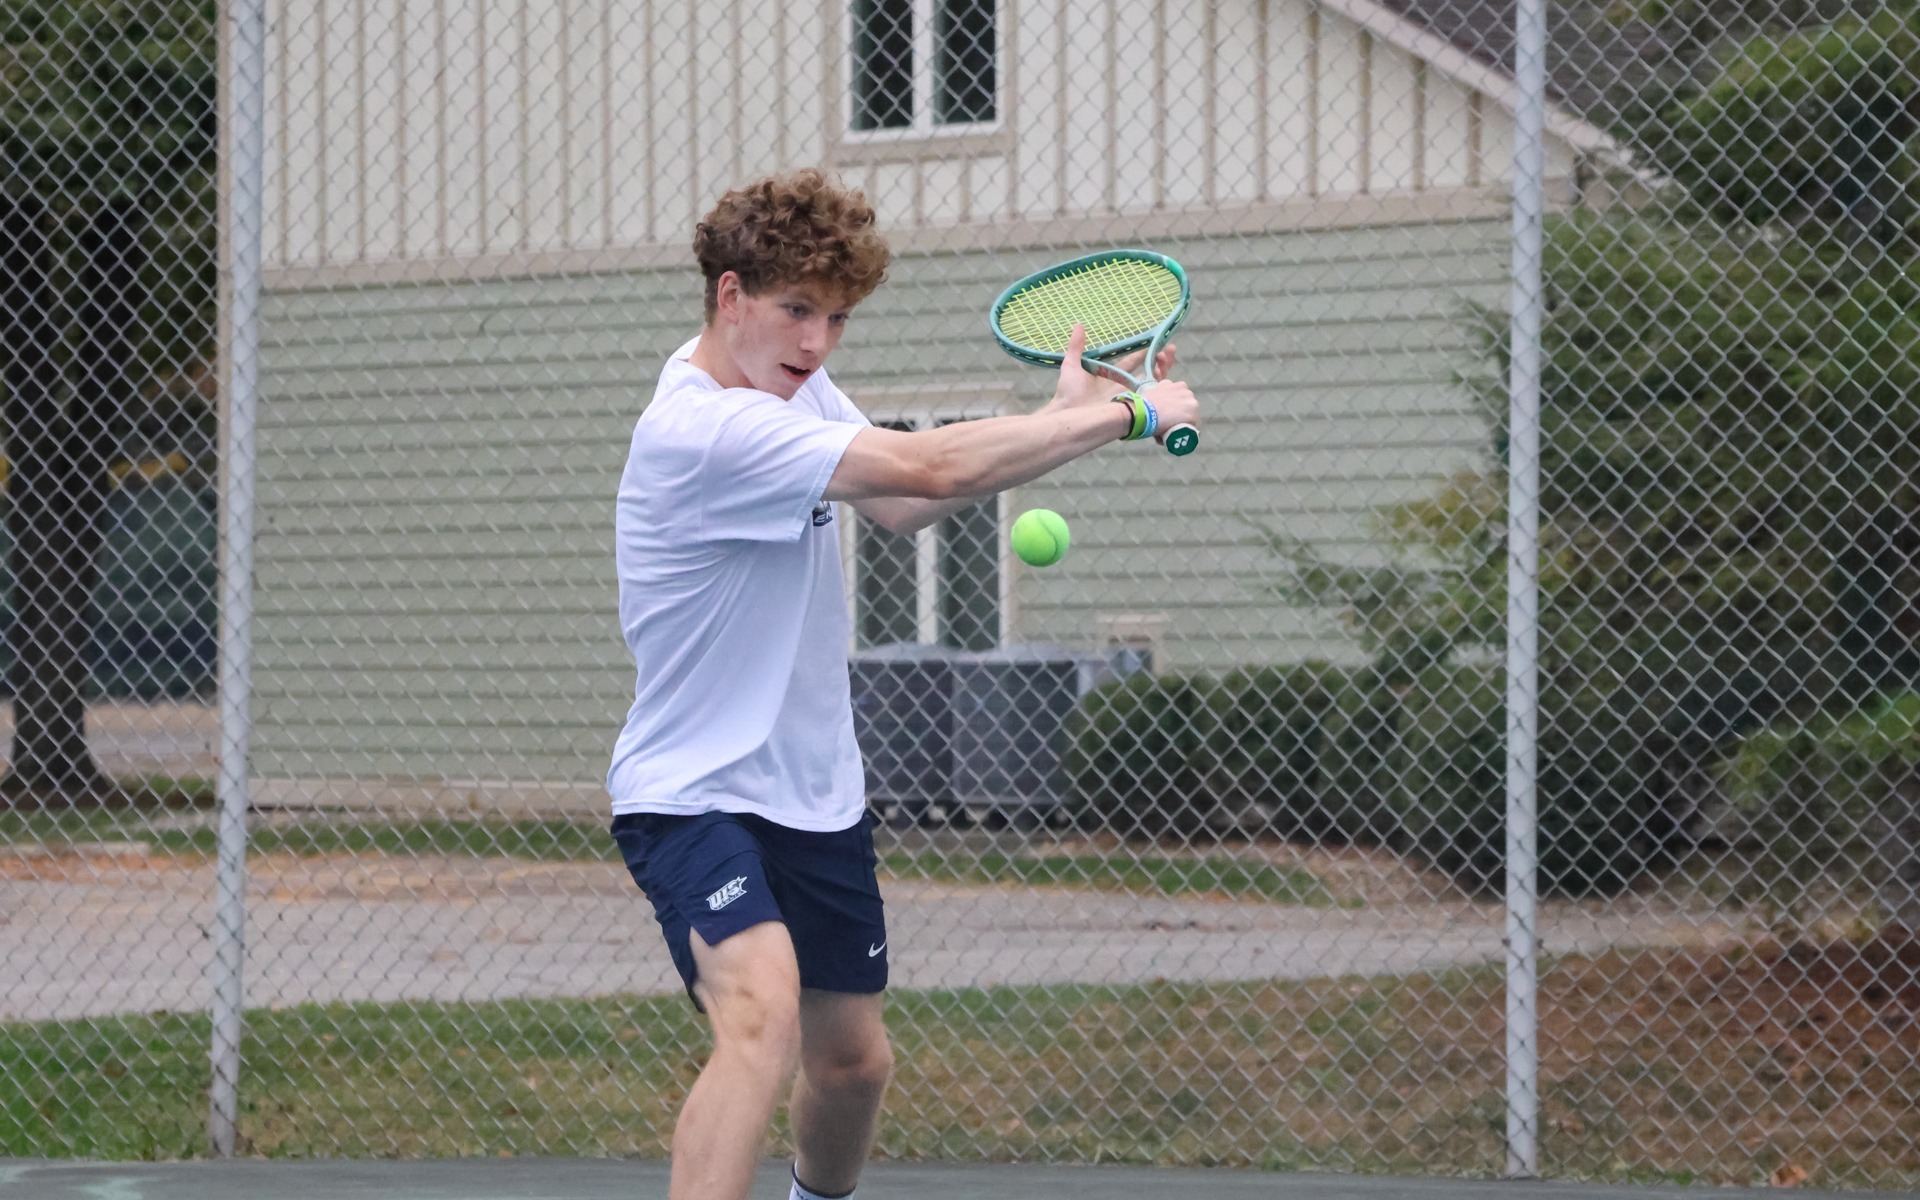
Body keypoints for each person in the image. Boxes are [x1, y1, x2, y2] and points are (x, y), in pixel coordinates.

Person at [606, 167, 1200, 1200]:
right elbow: (932, 471)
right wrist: (1126, 417)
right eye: (797, 311)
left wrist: (1059, 420)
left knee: (853, 1065)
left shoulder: (790, 388)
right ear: (730, 295)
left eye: (837, 318)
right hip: (692, 792)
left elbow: (902, 504)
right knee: (760, 1021)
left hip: (815, 791)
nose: (818, 342)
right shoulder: (700, 430)